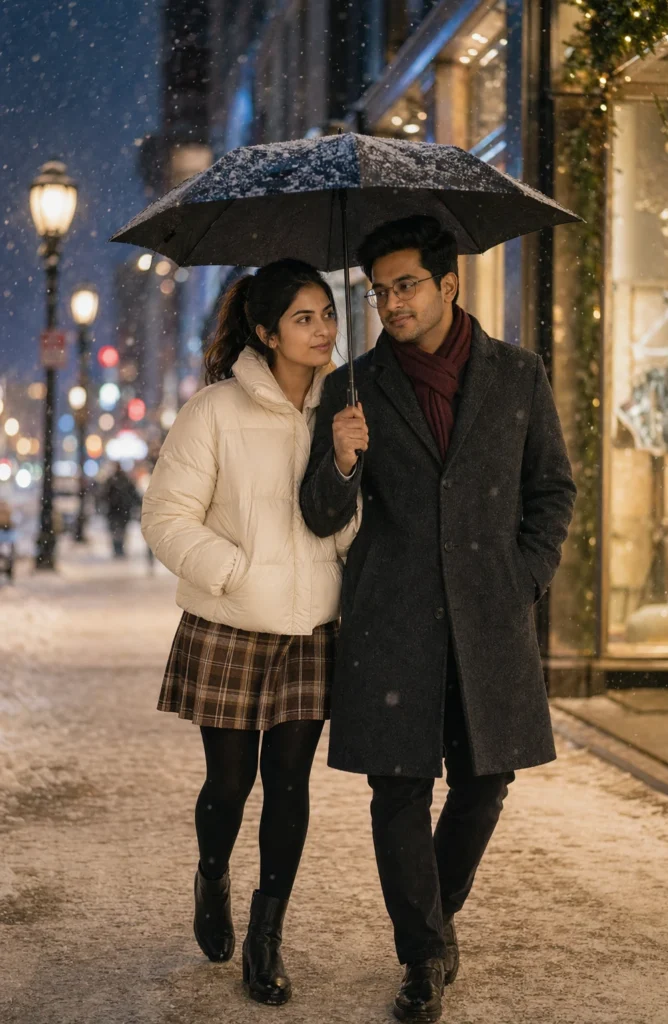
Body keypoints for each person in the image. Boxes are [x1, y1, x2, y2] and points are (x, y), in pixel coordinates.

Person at [300, 216, 576, 1023]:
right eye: (380, 290)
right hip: (393, 617)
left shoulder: (517, 376)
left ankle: (434, 916)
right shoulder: (352, 386)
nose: (390, 302)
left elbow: (550, 490)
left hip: (491, 615)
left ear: (448, 285)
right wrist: (342, 458)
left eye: (405, 285)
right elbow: (320, 514)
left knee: (487, 781)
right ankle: (421, 956)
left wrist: (523, 575)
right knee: (398, 790)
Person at [141, 260, 361, 1006]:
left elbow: (346, 528)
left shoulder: (343, 408)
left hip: (309, 629)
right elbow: (166, 517)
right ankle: (211, 874)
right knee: (230, 783)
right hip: (232, 622)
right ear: (265, 333)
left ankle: (266, 937)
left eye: (326, 313)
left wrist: (345, 464)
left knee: (290, 785)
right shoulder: (213, 411)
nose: (323, 328)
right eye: (303, 318)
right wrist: (231, 571)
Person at [103, 463, 140, 558]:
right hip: (121, 510)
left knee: (117, 531)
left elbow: (104, 495)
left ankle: (118, 549)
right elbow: (134, 494)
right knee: (120, 531)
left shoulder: (112, 481)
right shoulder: (124, 481)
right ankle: (119, 549)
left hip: (117, 510)